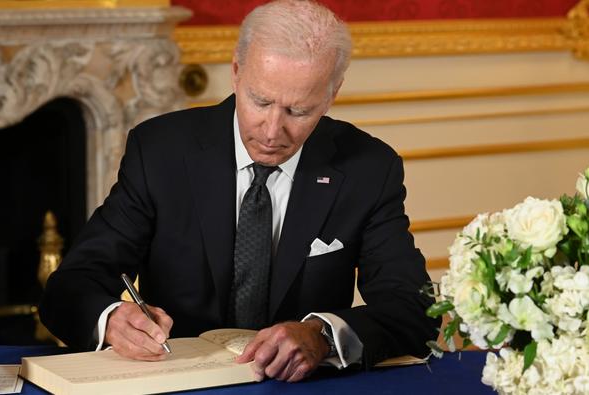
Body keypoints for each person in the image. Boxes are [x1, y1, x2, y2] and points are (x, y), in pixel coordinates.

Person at [40, 0, 439, 383]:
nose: (271, 131)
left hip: (304, 385)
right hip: (175, 381)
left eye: (298, 111)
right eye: (260, 101)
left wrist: (321, 335)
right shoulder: (160, 152)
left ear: (331, 95)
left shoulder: (369, 168)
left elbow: (414, 307)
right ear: (235, 72)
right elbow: (72, 285)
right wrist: (110, 318)